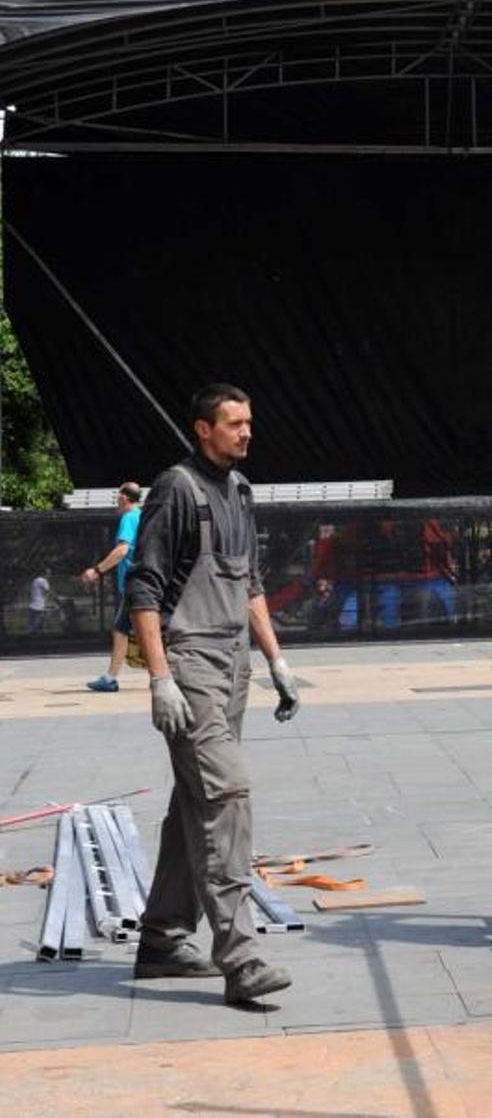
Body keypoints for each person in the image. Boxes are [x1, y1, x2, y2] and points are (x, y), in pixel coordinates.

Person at [127, 383, 301, 1006]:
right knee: (226, 797)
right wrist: (158, 676)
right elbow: (143, 587)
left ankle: (164, 939)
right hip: (190, 662)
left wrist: (276, 660)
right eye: (233, 423)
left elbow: (250, 583)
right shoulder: (176, 488)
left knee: (194, 802)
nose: (246, 432)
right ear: (203, 429)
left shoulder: (241, 490)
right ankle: (242, 957)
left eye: (249, 421)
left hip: (233, 665)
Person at [84, 481, 144, 692]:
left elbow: (122, 550)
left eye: (118, 495)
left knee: (121, 630)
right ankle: (111, 678)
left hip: (135, 585)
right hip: (144, 583)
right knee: (126, 630)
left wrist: (96, 571)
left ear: (125, 497)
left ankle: (110, 679)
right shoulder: (143, 516)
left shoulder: (129, 517)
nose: (116, 500)